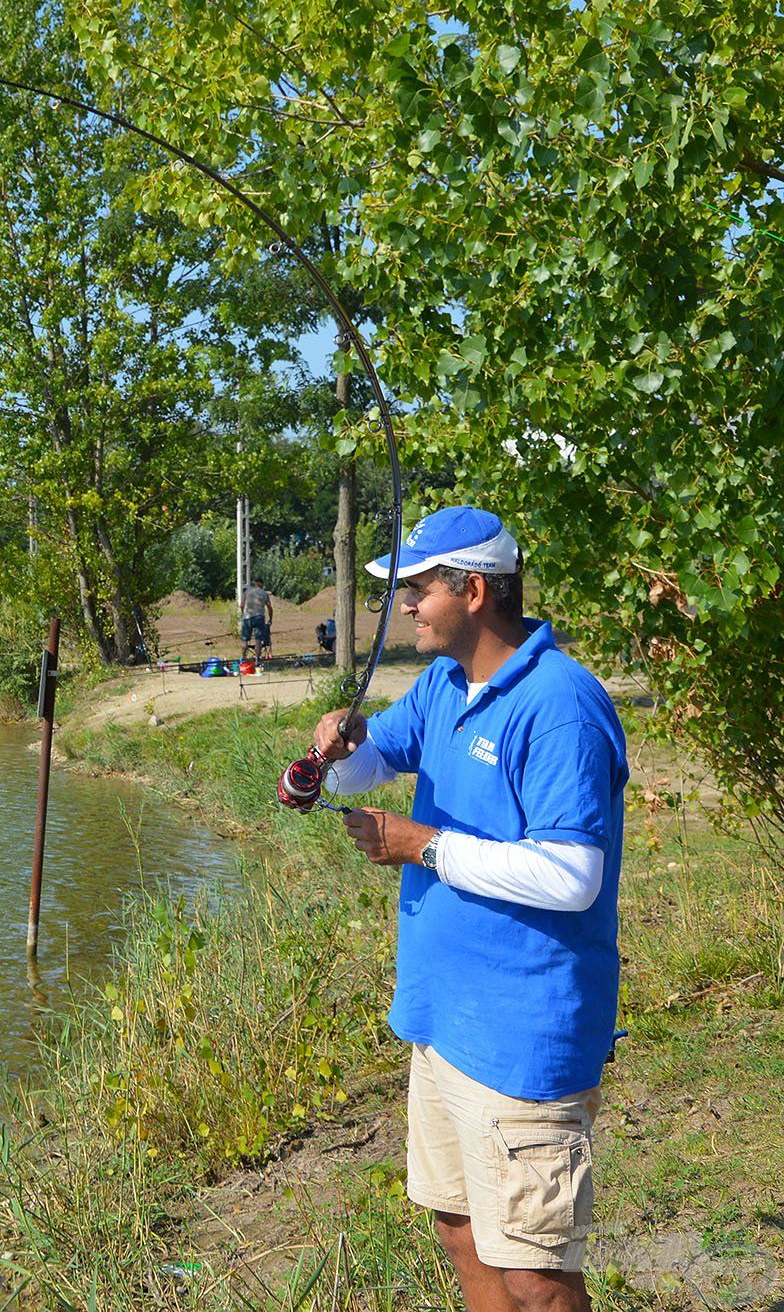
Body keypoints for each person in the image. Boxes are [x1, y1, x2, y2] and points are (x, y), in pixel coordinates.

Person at [312, 506, 626, 1312]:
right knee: (460, 1228)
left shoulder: (561, 703)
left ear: (474, 590)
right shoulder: (446, 684)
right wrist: (343, 751)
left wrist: (423, 844)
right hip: (443, 1022)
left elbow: (571, 877)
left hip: (524, 1033)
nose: (405, 607)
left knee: (535, 1273)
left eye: (417, 590)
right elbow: (368, 769)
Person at [240, 578, 274, 659]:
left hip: (247, 617)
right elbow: (269, 607)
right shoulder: (264, 593)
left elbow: (242, 605)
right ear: (261, 584)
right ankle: (257, 660)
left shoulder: (247, 591)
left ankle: (244, 658)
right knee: (258, 640)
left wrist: (243, 614)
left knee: (245, 639)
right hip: (259, 617)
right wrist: (270, 618)